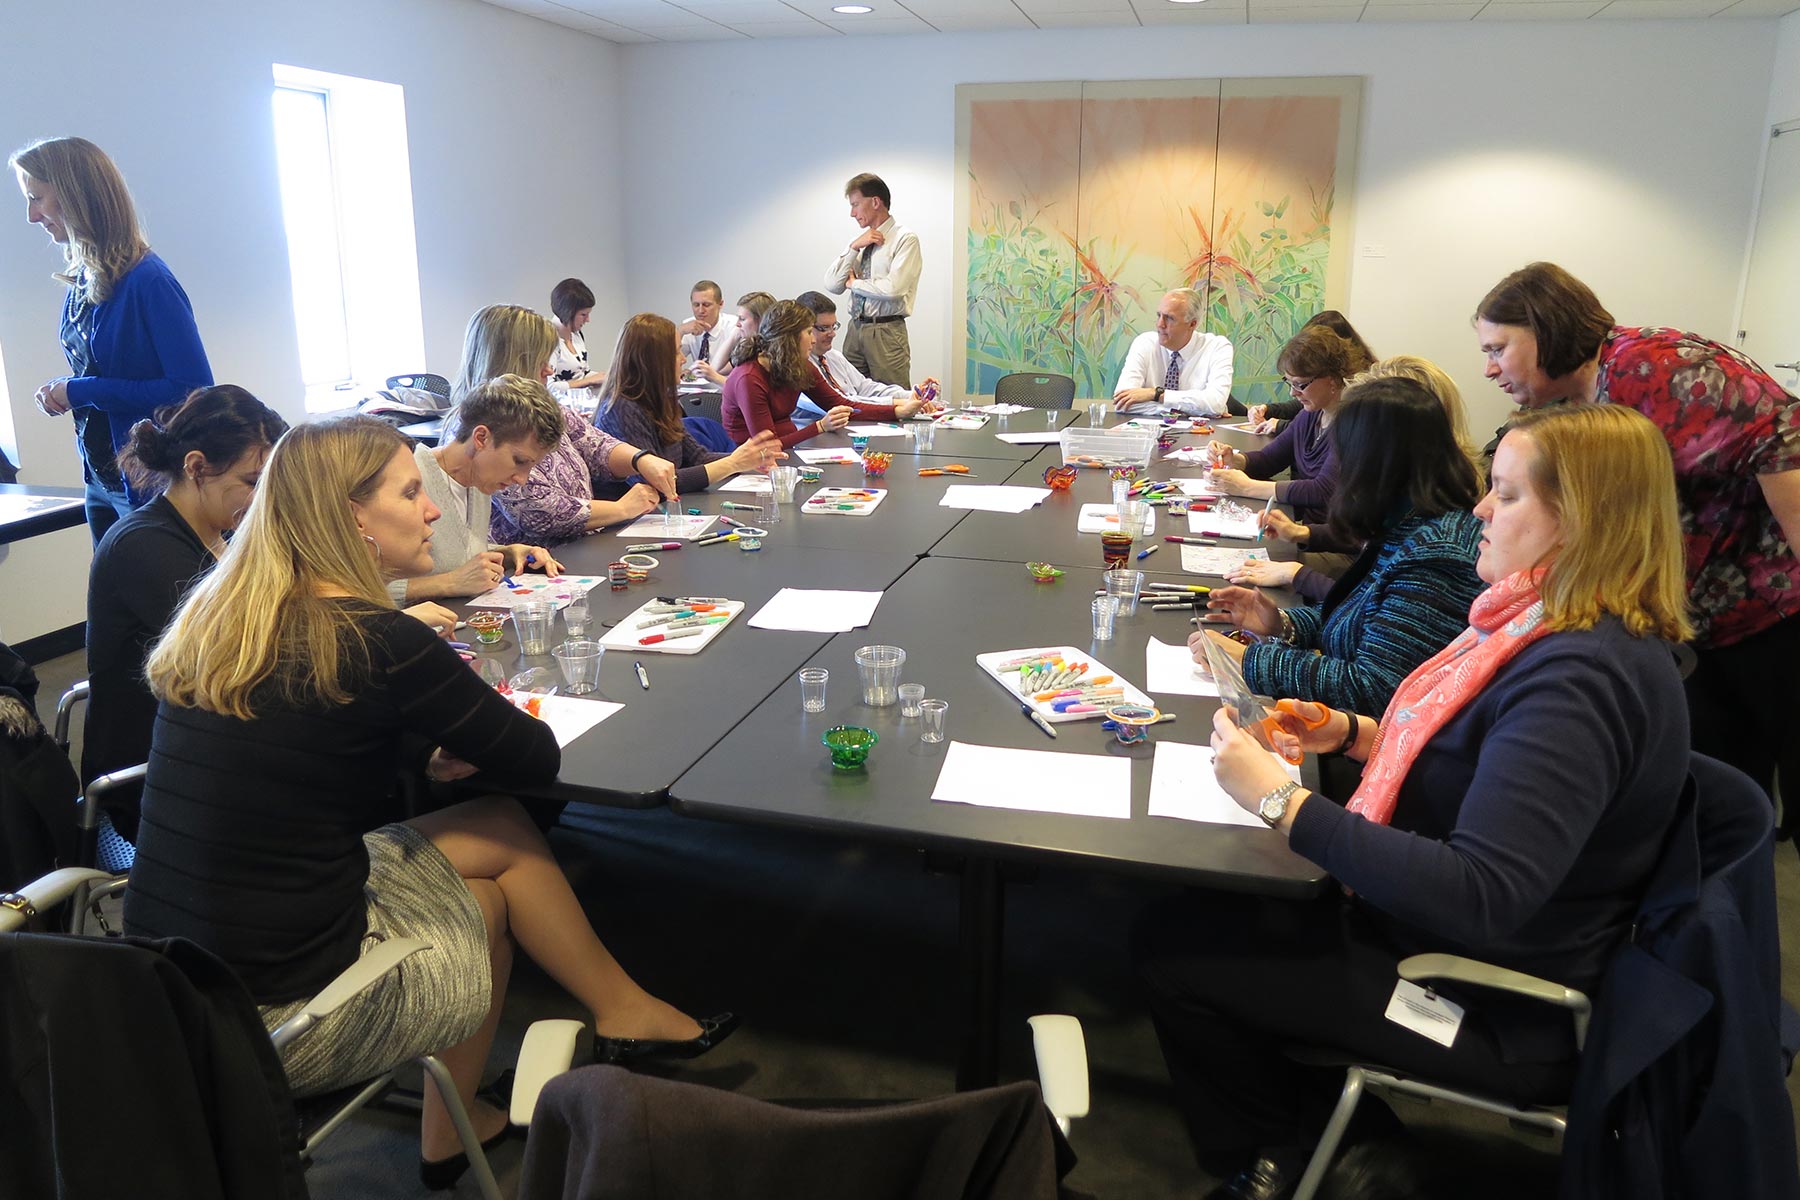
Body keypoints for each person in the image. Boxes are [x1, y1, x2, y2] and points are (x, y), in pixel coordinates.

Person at [123, 416, 735, 1187]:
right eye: (412, 493)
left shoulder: (222, 615)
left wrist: (422, 744)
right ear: (352, 518)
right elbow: (534, 756)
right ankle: (469, 1120)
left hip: (158, 988)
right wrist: (452, 728)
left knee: (499, 824)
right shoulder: (381, 637)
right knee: (487, 901)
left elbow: (310, 736)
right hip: (277, 1019)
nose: (434, 509)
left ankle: (613, 1015)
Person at [1138, 404, 1693, 1200]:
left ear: (1578, 520)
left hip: (1490, 997)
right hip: (1475, 939)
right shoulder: (1553, 625)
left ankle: (1282, 1153)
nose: (1479, 511)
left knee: (1174, 949)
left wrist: (1283, 805)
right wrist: (1355, 734)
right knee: (1204, 910)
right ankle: (1327, 1134)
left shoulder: (1579, 679)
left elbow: (1481, 892)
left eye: (1505, 495)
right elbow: (1482, 763)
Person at [1473, 262, 1800, 832]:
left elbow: (1784, 434)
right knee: (1717, 796)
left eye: (1499, 348)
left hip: (1774, 611)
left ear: (1545, 328)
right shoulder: (1576, 402)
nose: (1489, 368)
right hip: (1704, 617)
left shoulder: (1656, 368)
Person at [1191, 376, 1484, 715]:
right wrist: (1282, 623)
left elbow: (1373, 688)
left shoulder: (1435, 558)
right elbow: (1362, 619)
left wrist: (1250, 659)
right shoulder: (1408, 522)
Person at [84, 385, 288, 847]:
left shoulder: (219, 534)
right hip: (153, 775)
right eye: (254, 482)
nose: (262, 499)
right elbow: (239, 652)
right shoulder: (143, 545)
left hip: (209, 741)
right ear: (196, 467)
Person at [10, 136, 214, 542]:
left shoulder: (149, 281)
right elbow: (102, 372)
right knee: (111, 606)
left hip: (147, 485)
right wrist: (66, 391)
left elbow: (193, 390)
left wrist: (81, 390)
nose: (32, 216)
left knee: (155, 605)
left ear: (74, 195)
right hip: (101, 480)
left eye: (37, 198)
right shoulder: (82, 281)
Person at [1233, 355, 1479, 599]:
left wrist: (1298, 576)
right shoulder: (1408, 497)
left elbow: (1365, 611)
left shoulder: (1432, 543)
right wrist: (1302, 534)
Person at [592, 314, 783, 501]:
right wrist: (733, 463)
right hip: (628, 524)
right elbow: (657, 485)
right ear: (653, 361)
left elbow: (699, 457)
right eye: (677, 352)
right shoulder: (621, 408)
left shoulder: (661, 400)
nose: (684, 359)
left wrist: (748, 460)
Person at [720, 300, 927, 449]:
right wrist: (819, 427)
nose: (813, 340)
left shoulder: (796, 367)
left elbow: (840, 403)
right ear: (789, 338)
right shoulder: (749, 378)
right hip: (750, 463)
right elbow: (766, 445)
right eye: (809, 332)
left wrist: (898, 411)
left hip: (792, 450)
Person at [1205, 325, 1359, 523]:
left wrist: (1246, 487)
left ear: (1332, 380)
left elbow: (1322, 491)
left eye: (1300, 384)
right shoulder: (1311, 415)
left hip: (1329, 542)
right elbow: (1269, 459)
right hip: (1305, 533)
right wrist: (1234, 460)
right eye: (1290, 382)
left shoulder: (1353, 425)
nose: (1293, 393)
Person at [824, 172, 921, 387]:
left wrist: (854, 284)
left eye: (856, 204)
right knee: (850, 395)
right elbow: (832, 283)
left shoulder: (905, 238)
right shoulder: (859, 241)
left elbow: (894, 288)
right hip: (855, 328)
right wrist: (853, 248)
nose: (852, 213)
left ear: (875, 202)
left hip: (886, 332)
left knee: (893, 398)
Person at [793, 290, 932, 420]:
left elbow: (865, 387)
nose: (832, 334)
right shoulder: (798, 367)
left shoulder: (833, 356)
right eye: (824, 328)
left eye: (833, 326)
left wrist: (913, 394)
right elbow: (842, 403)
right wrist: (897, 404)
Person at [1237, 310, 1374, 431]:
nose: (1293, 392)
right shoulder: (1318, 399)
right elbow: (1301, 406)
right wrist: (1268, 409)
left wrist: (1280, 425)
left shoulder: (1360, 393)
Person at [1112, 288, 1234, 418]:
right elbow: (1122, 402)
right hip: (1149, 434)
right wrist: (1186, 410)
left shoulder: (1217, 347)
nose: (1160, 324)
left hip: (1201, 435)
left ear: (1192, 324)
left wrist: (1156, 394)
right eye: (1159, 315)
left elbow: (1215, 404)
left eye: (1169, 318)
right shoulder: (1144, 343)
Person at [548, 277, 605, 394]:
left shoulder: (577, 335)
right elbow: (549, 387)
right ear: (568, 312)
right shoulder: (548, 341)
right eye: (583, 314)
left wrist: (607, 377)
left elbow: (583, 374)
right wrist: (589, 381)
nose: (588, 320)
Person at [677, 280, 736, 381]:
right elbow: (667, 361)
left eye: (706, 305)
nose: (700, 311)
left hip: (726, 387)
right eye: (696, 305)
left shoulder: (734, 327)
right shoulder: (688, 326)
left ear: (720, 304)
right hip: (698, 389)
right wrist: (680, 331)